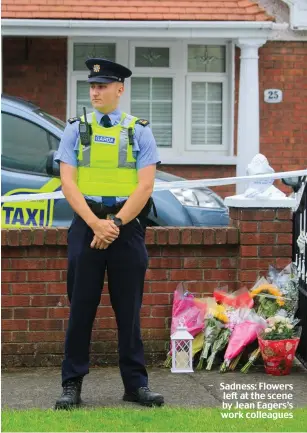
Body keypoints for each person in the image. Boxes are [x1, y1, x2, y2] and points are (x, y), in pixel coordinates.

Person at [54, 58, 164, 410]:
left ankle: (136, 386)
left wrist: (113, 225)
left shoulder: (139, 131)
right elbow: (67, 182)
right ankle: (71, 386)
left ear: (120, 89)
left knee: (128, 312)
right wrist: (94, 224)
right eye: (92, 86)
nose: (95, 91)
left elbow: (145, 186)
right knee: (81, 310)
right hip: (86, 225)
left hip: (126, 230)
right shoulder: (75, 129)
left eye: (102, 86)